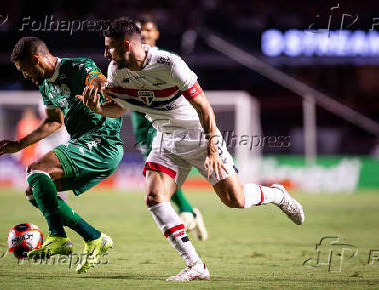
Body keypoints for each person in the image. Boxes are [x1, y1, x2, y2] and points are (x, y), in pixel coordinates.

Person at [78, 18, 305, 282]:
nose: (106, 54)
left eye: (110, 48)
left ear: (127, 44)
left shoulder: (169, 64)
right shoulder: (117, 70)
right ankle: (196, 265)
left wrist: (211, 150)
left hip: (199, 136)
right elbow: (123, 106)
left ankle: (276, 194)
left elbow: (204, 107)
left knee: (236, 200)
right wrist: (98, 109)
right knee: (154, 198)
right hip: (165, 140)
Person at [0, 37, 123, 274]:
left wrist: (101, 88)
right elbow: (53, 122)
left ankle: (58, 236)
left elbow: (100, 81)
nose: (24, 75)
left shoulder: (78, 67)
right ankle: (95, 238)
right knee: (34, 191)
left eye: (24, 70)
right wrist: (19, 144)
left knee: (37, 170)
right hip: (83, 143)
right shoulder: (45, 85)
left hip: (102, 141)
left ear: (35, 59)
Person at [132, 17, 207, 240]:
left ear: (156, 34)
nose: (143, 34)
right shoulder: (127, 60)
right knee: (153, 168)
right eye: (138, 30)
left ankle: (185, 210)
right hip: (140, 122)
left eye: (147, 30)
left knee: (160, 168)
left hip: (163, 121)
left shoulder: (164, 60)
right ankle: (190, 211)